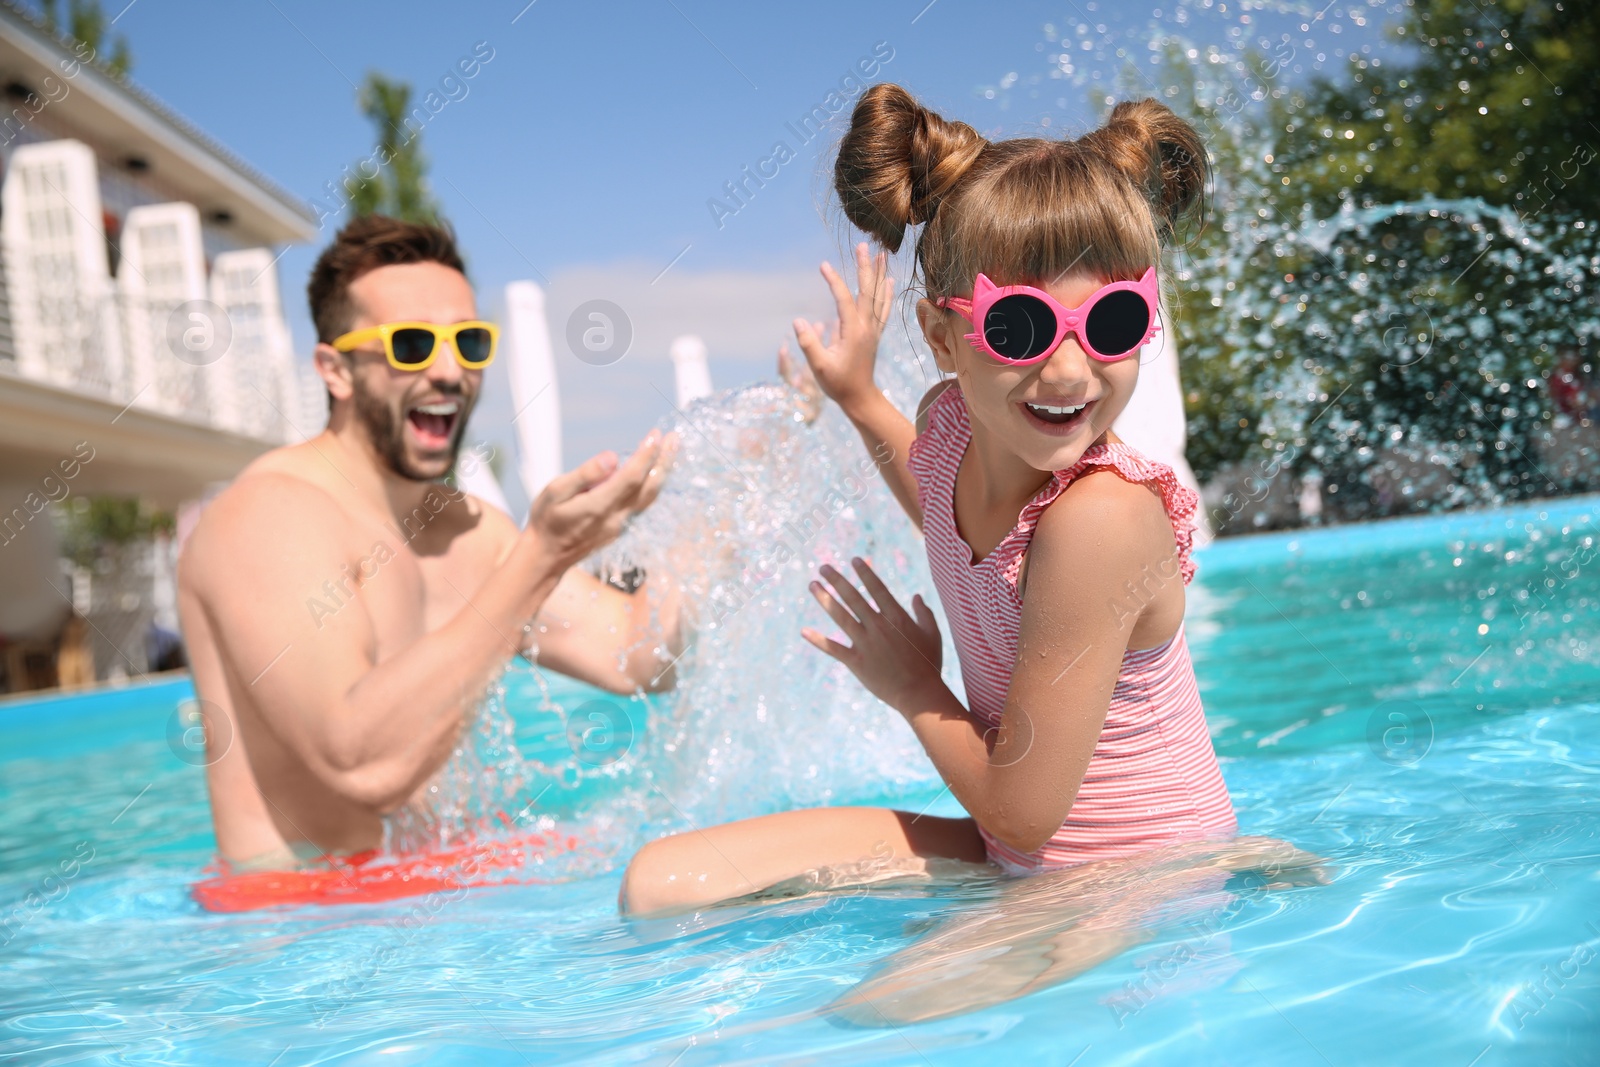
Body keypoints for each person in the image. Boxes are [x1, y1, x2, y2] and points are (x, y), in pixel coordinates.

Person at [621, 84, 1246, 916]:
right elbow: (948, 512)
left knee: (882, 1025)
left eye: (1114, 320)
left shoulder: (1103, 518)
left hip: (1138, 880)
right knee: (659, 883)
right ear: (942, 336)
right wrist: (854, 394)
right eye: (1020, 328)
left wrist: (915, 686)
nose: (1068, 370)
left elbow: (1025, 815)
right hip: (1013, 852)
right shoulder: (950, 429)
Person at [178, 216, 680, 868]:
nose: (449, 370)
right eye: (411, 343)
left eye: (469, 342)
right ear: (335, 370)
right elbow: (359, 760)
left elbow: (636, 651)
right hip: (298, 936)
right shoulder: (267, 517)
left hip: (423, 912)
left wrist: (751, 472)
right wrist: (542, 555)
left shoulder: (460, 528)